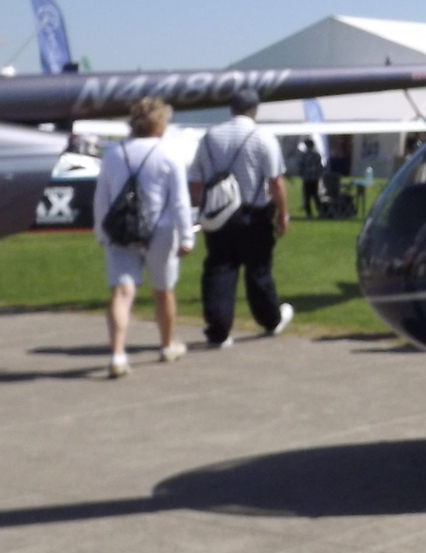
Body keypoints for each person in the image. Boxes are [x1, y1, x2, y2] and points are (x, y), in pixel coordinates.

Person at [93, 97, 194, 377]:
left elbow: (101, 197)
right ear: (160, 122)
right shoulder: (169, 153)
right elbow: (180, 202)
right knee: (162, 291)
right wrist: (187, 236)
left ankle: (116, 354)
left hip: (119, 230)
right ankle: (165, 345)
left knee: (122, 292)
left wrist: (101, 231)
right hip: (159, 230)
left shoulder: (113, 153)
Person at [190, 87, 293, 348]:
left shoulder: (210, 137)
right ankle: (270, 319)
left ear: (231, 109)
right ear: (254, 109)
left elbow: (196, 180)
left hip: (218, 214)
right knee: (258, 271)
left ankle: (218, 330)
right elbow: (275, 182)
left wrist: (197, 209)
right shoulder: (262, 137)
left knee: (219, 270)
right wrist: (283, 214)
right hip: (253, 214)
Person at [295, 139, 324, 218]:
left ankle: (309, 213)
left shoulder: (304, 155)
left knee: (307, 196)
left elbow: (301, 165)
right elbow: (320, 166)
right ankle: (320, 211)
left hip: (307, 177)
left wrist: (300, 173)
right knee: (316, 195)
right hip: (315, 177)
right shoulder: (317, 155)